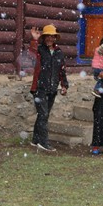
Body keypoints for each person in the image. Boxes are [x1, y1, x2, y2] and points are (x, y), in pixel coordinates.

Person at [28, 24, 69, 152]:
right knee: (43, 114)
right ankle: (43, 143)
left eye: (52, 36)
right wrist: (34, 40)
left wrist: (64, 85)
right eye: (48, 36)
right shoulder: (39, 49)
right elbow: (31, 56)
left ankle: (36, 140)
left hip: (52, 89)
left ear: (55, 38)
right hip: (39, 88)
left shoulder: (59, 52)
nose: (50, 39)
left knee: (43, 115)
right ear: (44, 38)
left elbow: (62, 70)